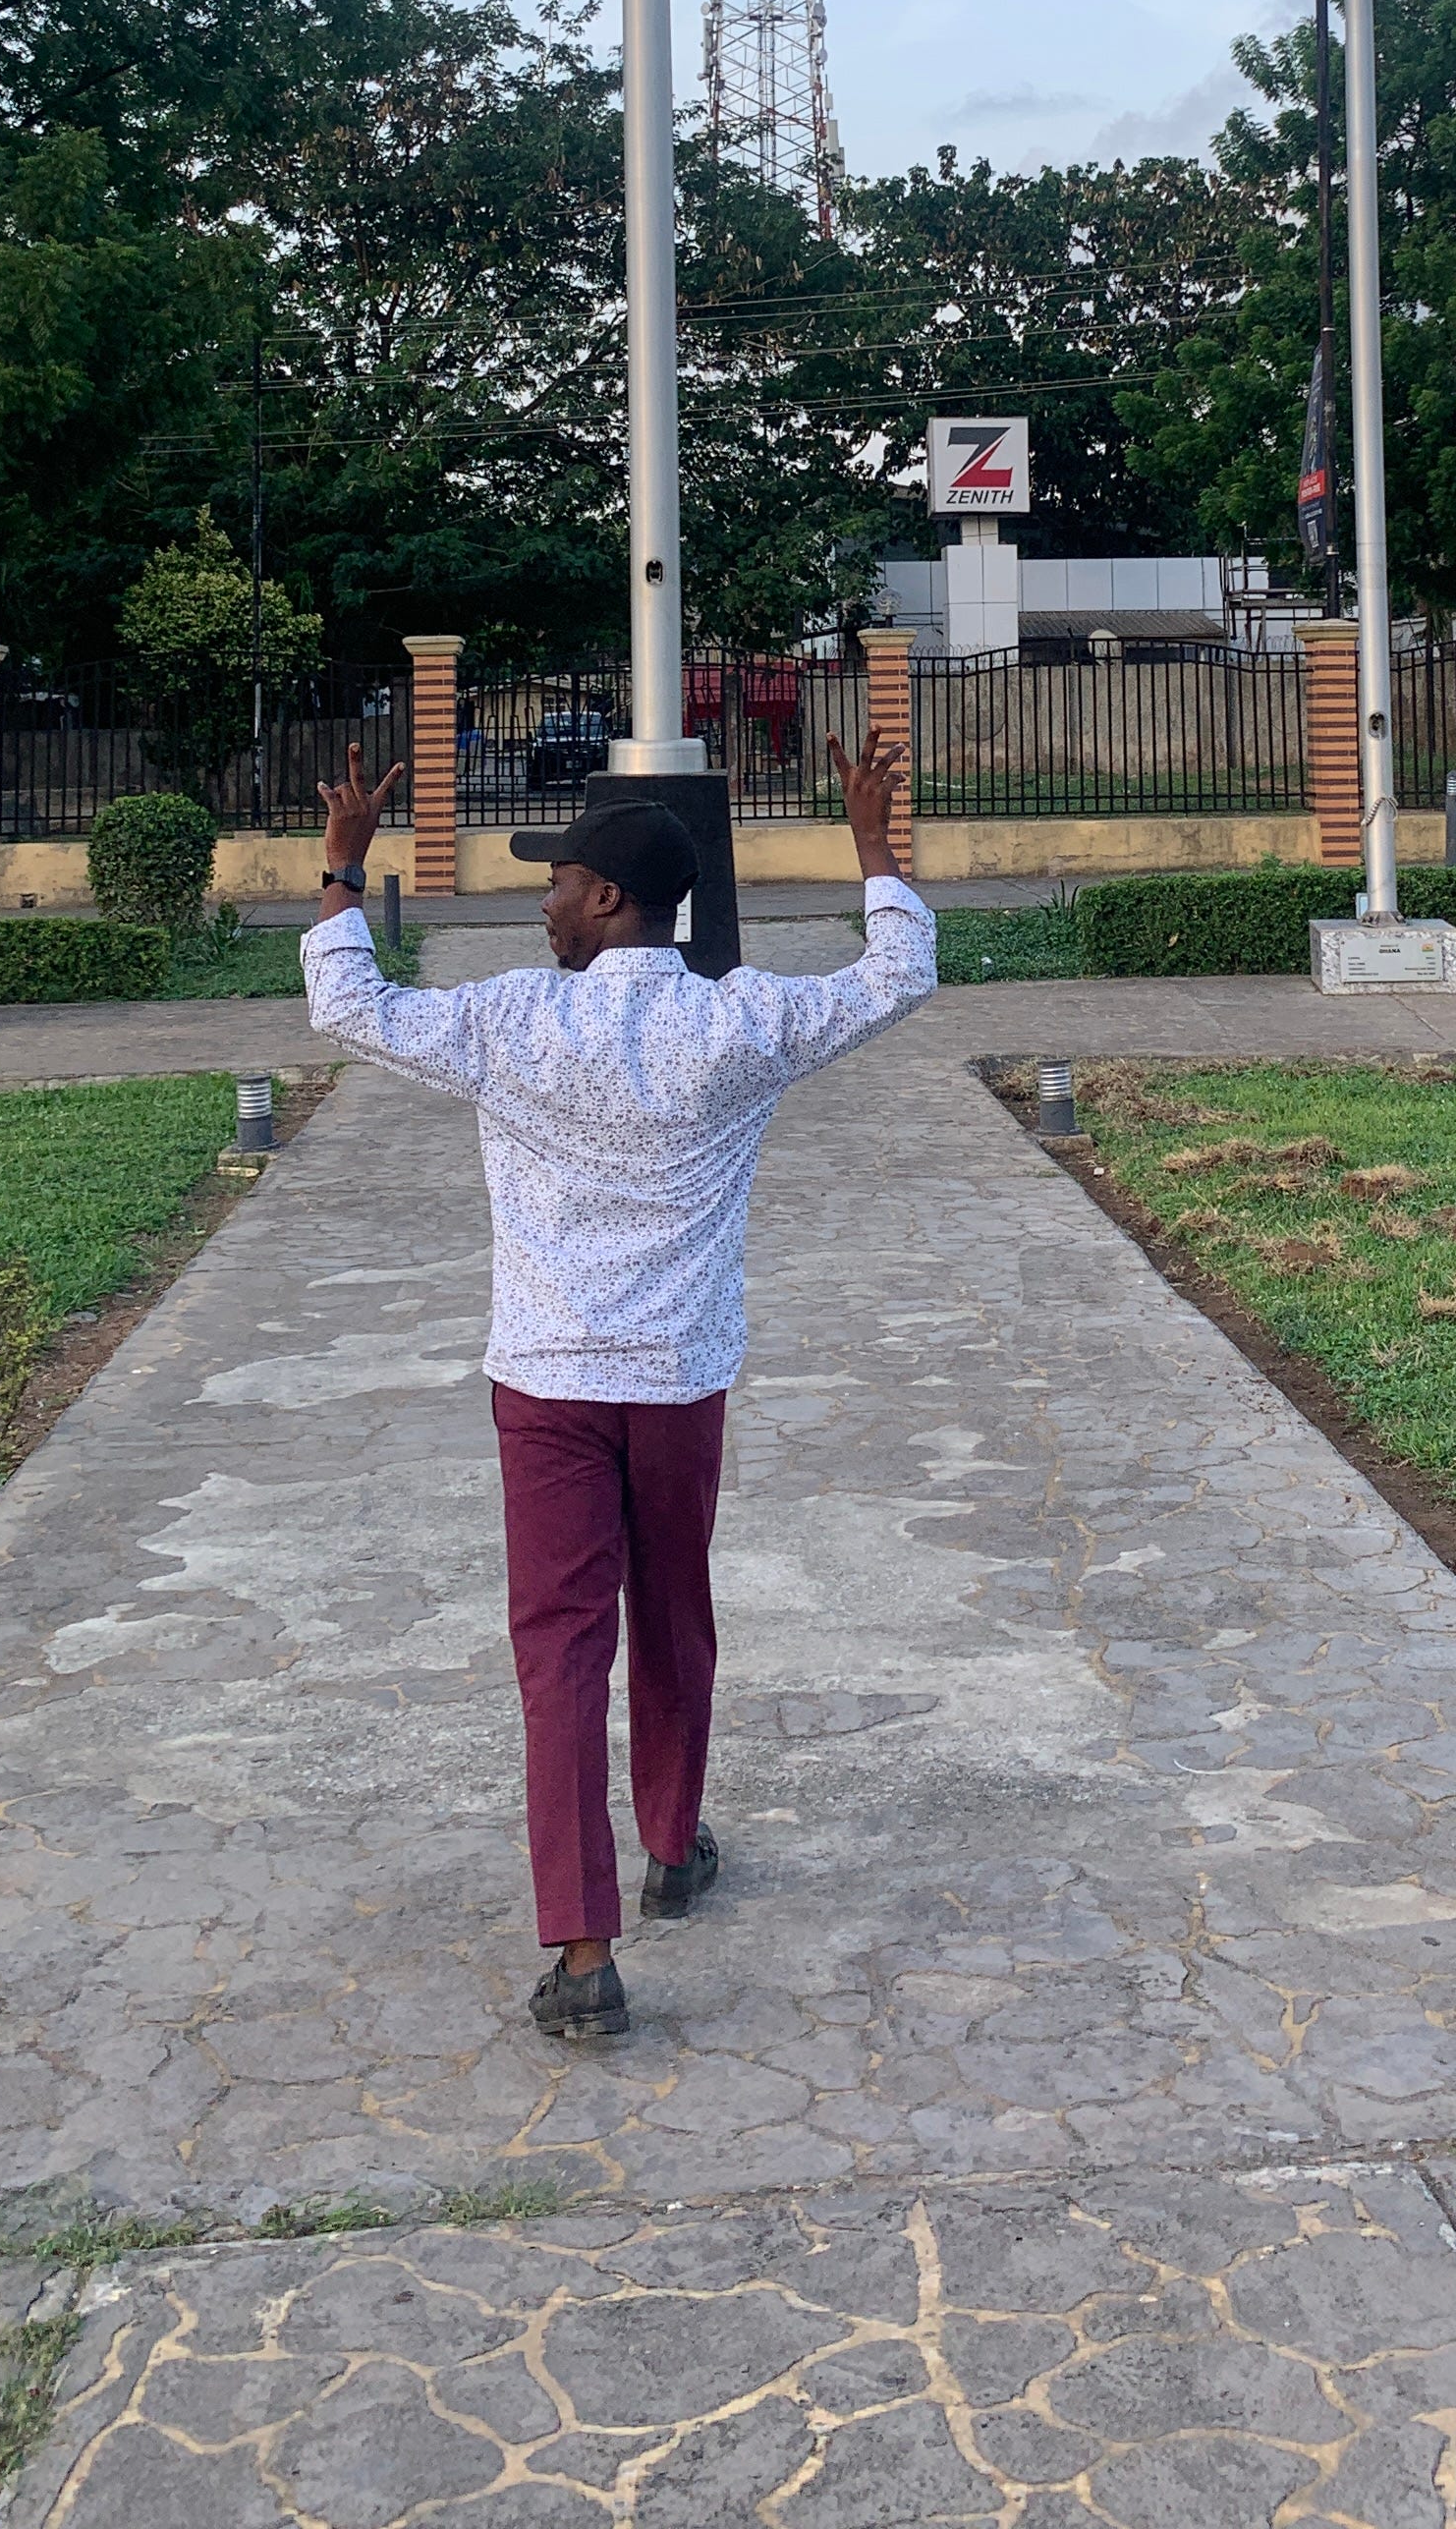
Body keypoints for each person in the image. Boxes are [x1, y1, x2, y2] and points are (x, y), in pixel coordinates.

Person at [303, 726, 934, 2043]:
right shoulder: (741, 1021)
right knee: (673, 1613)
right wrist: (874, 848)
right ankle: (671, 1843)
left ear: (606, 899)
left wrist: (342, 873)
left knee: (560, 1652)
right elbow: (897, 976)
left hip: (547, 1386)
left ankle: (585, 1951)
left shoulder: (510, 1021)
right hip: (680, 1381)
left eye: (555, 883)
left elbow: (349, 1007)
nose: (541, 903)